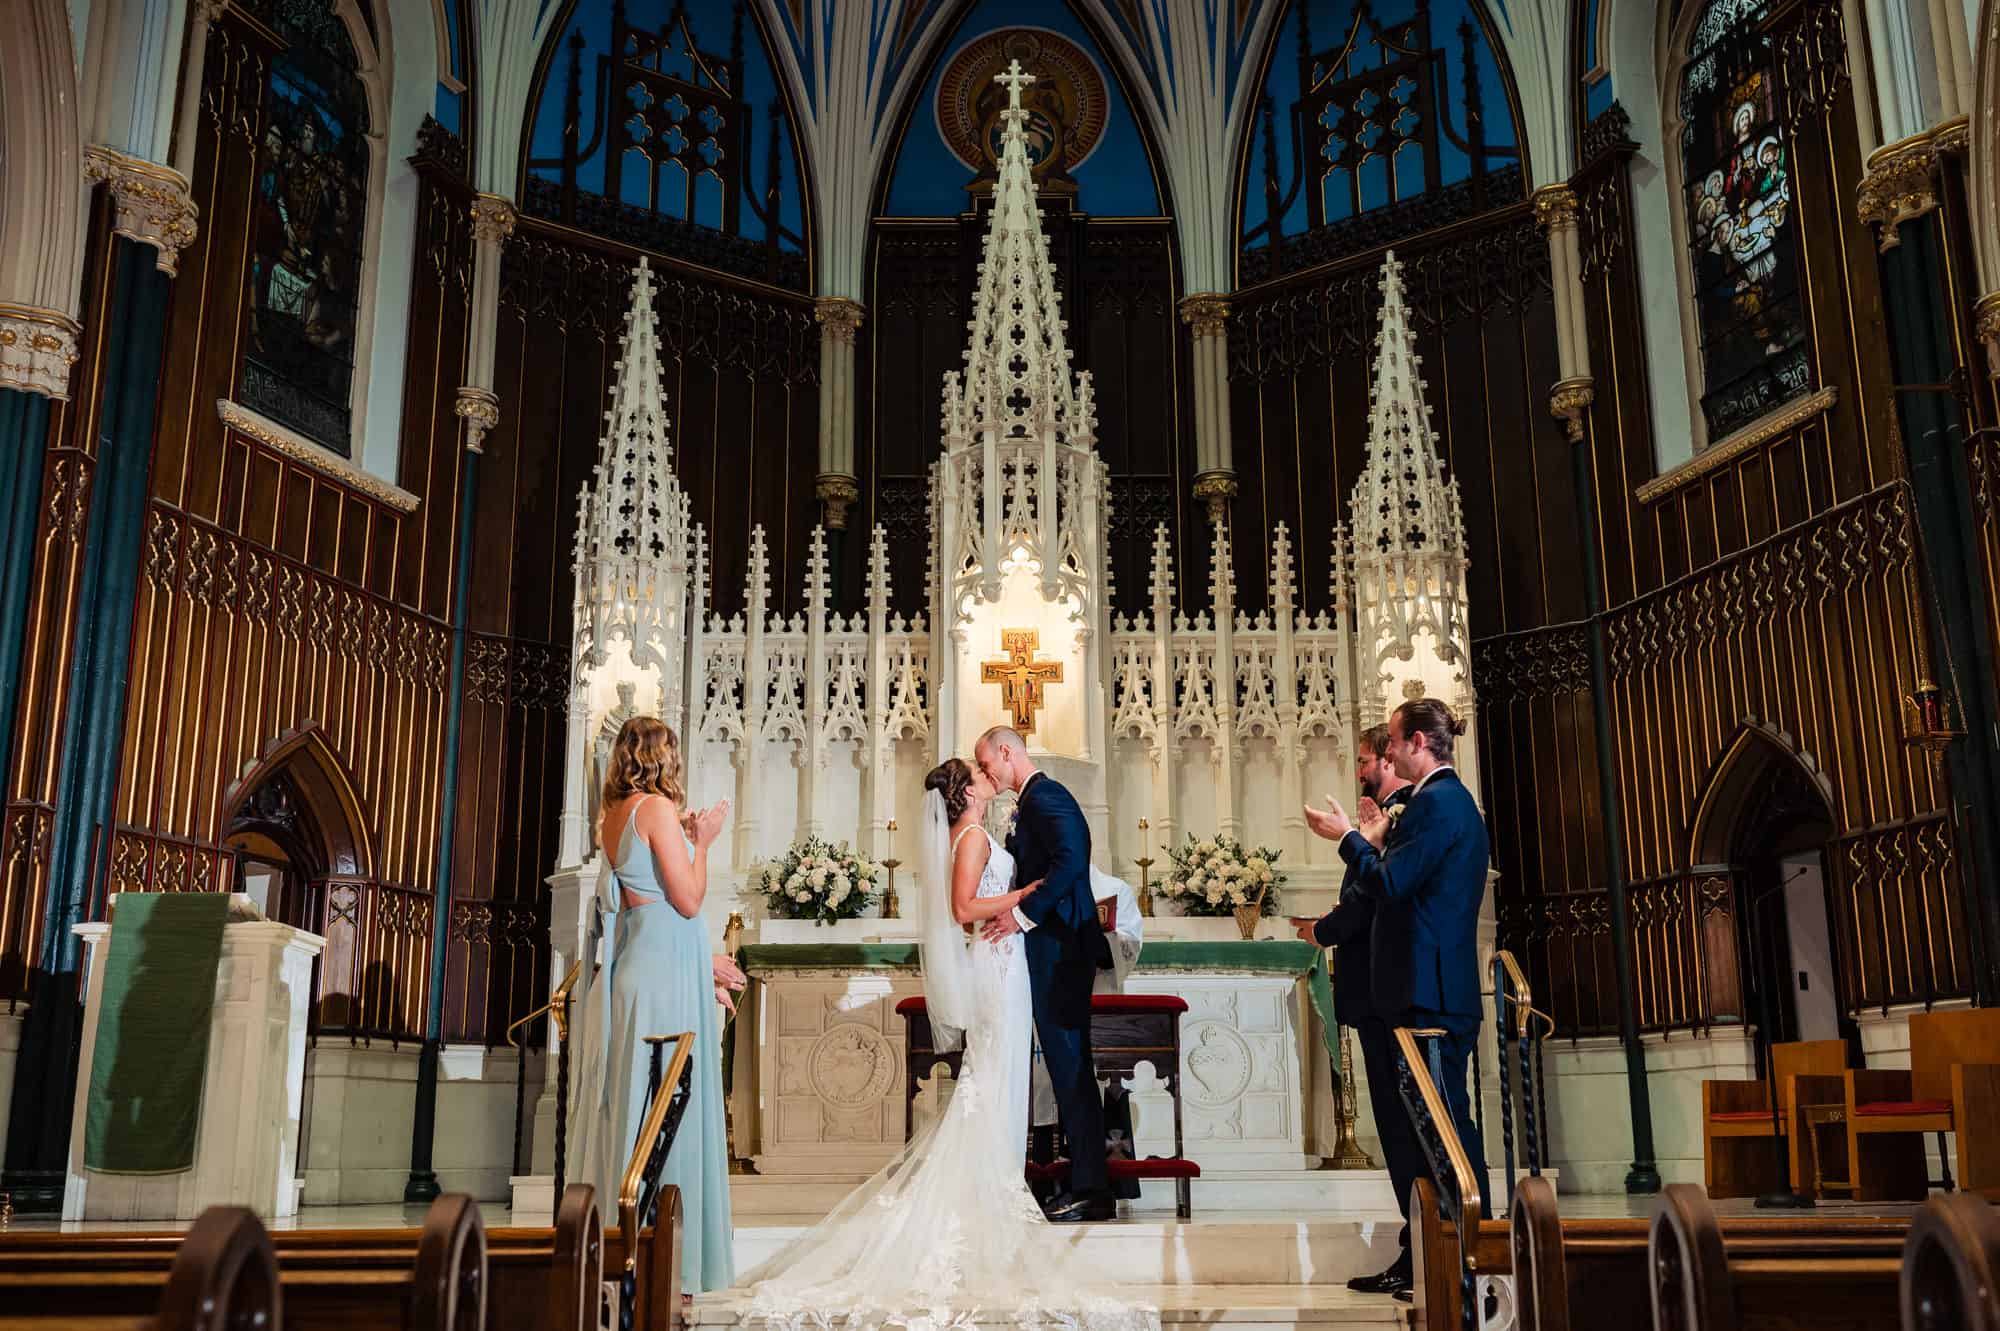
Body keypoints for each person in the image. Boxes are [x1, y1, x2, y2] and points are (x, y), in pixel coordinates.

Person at [737, 758, 1155, 1331]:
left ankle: (1000, 1185)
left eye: (987, 766)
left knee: (998, 1076)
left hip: (1003, 961)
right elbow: (963, 911)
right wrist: (1023, 896)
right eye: (977, 773)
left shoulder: (975, 832)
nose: (987, 776)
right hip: (999, 963)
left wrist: (1023, 899)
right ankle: (993, 1194)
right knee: (995, 1075)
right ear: (966, 792)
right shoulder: (975, 835)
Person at [1302, 698, 1489, 1306]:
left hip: (1428, 996)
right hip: (1422, 992)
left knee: (1443, 1137)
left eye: (1393, 742)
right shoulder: (1441, 802)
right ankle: (1434, 1259)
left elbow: (1388, 885)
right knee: (1426, 1134)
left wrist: (1352, 839)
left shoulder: (1438, 804)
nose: (1387, 753)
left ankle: (1468, 1263)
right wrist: (1375, 839)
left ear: (1414, 744)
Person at [571, 716, 737, 1296]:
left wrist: (705, 969)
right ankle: (675, 1264)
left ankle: (635, 1250)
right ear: (664, 758)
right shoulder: (656, 810)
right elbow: (689, 900)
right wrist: (705, 841)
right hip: (663, 972)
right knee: (671, 1107)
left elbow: (651, 901)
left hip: (647, 964)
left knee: (643, 1106)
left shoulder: (614, 815)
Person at [1293, 723, 1415, 1298]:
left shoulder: (1401, 819)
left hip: (1383, 991)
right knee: (1394, 1129)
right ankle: (1417, 1251)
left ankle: (1423, 1254)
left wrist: (1322, 931)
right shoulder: (1385, 822)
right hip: (1377, 990)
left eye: (1367, 759)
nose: (1361, 769)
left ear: (1390, 758)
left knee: (1401, 1128)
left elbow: (1369, 900)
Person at [975, 725, 1114, 1222]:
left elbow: (1074, 858)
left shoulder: (1047, 795)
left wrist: (1022, 913)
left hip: (1061, 951)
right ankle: (1083, 1183)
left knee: (1071, 1066)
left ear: (1007, 752)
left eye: (987, 761)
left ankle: (1091, 1189)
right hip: (1050, 949)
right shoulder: (1030, 801)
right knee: (1063, 1067)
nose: (986, 772)